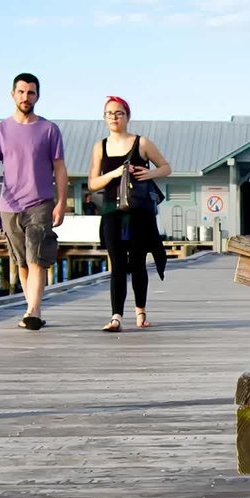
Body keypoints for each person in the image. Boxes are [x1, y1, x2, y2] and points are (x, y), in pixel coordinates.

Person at [0, 72, 68, 330]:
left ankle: (33, 311)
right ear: (12, 94)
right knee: (22, 262)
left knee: (37, 257)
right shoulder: (0, 130)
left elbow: (59, 168)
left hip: (40, 202)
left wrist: (61, 202)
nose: (26, 97)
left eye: (31, 92)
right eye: (22, 92)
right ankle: (31, 309)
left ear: (38, 96)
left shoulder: (49, 129)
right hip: (9, 206)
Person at [85, 95, 171, 333]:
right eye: (109, 114)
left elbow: (166, 167)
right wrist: (113, 174)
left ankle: (140, 312)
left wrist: (147, 173)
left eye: (119, 113)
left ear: (127, 116)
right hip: (112, 211)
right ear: (104, 118)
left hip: (139, 211)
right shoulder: (99, 146)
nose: (114, 117)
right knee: (118, 264)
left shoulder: (141, 143)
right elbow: (92, 183)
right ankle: (116, 317)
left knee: (138, 263)